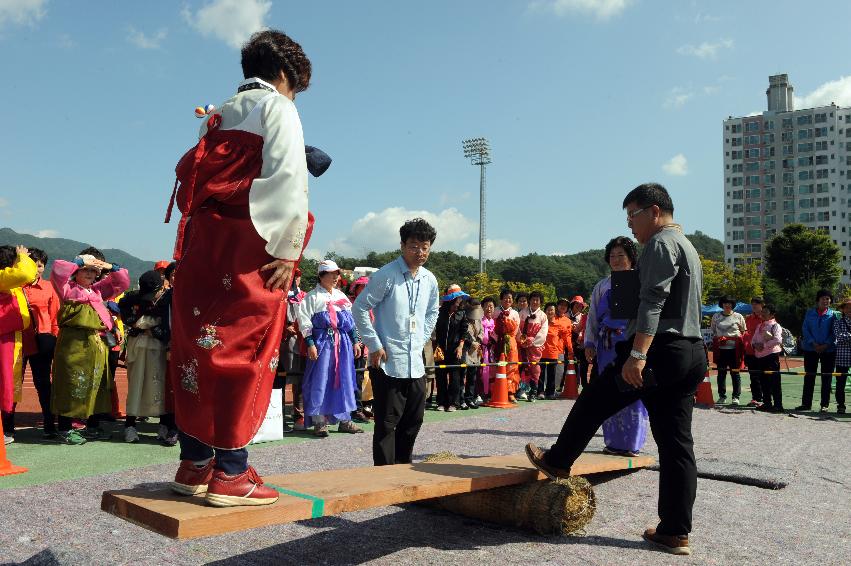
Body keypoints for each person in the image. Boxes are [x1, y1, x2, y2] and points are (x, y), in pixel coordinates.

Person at [167, 30, 313, 507]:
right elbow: (288, 178)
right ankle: (231, 471)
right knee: (245, 348)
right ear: (286, 75)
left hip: (202, 242)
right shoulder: (279, 108)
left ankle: (195, 463)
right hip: (248, 243)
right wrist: (289, 249)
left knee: (198, 348)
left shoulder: (216, 114)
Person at [526, 183, 705, 556]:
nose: (631, 225)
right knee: (676, 445)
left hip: (657, 350)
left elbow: (654, 300)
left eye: (633, 216)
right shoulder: (688, 247)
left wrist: (638, 354)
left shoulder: (659, 244)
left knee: (593, 399)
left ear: (654, 212)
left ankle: (558, 461)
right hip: (690, 350)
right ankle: (675, 531)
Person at [352, 218, 440, 466]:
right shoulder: (386, 275)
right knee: (387, 424)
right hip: (387, 362)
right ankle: (384, 477)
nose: (420, 252)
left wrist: (421, 339)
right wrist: (374, 344)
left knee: (414, 421)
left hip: (415, 362)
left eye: (425, 246)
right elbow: (359, 308)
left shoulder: (429, 279)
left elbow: (433, 312)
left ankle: (403, 471)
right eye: (414, 246)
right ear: (402, 245)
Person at [51, 253, 130, 445]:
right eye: (86, 270)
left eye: (94, 271)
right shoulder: (67, 288)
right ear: (76, 271)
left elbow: (123, 281)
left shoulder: (97, 291)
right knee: (70, 383)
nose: (90, 273)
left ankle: (92, 426)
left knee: (99, 385)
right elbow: (58, 271)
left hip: (97, 346)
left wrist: (109, 266)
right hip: (75, 346)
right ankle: (65, 428)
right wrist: (79, 261)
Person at [584, 236, 649, 457]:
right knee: (607, 391)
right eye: (612, 256)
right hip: (605, 347)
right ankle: (612, 442)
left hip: (629, 344)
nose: (616, 259)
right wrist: (589, 342)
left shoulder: (640, 282)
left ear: (631, 258)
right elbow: (592, 316)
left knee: (631, 389)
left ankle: (632, 443)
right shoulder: (602, 286)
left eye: (621, 255)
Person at [296, 260, 363, 437]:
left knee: (344, 378)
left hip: (342, 344)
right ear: (321, 276)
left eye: (337, 274)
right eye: (331, 274)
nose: (335, 277)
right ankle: (320, 422)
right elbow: (304, 321)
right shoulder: (312, 297)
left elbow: (351, 321)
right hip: (322, 343)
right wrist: (310, 344)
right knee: (321, 379)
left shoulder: (341, 296)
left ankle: (345, 420)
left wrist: (355, 341)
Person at [119, 270, 176, 444]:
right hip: (139, 345)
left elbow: (171, 323)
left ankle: (164, 425)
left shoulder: (169, 297)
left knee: (159, 385)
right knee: (136, 384)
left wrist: (155, 331)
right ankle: (130, 426)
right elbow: (122, 304)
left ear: (162, 285)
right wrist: (134, 323)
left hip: (159, 347)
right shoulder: (136, 296)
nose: (150, 297)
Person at [0, 246, 37, 445]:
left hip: (12, 337)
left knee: (8, 382)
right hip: (3, 338)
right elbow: (25, 272)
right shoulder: (3, 278)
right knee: (4, 381)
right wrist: (22, 256)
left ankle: (5, 427)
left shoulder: (8, 282)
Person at [21, 248, 60, 439]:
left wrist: (53, 338)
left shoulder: (48, 287)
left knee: (43, 384)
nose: (36, 269)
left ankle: (49, 423)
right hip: (19, 342)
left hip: (41, 343)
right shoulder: (15, 286)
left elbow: (55, 318)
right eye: (32, 264)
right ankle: (8, 426)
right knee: (13, 383)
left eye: (39, 265)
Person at [797, 289, 838, 412]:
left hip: (829, 350)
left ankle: (824, 405)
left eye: (828, 299)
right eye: (823, 298)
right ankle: (806, 404)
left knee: (827, 377)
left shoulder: (833, 315)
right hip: (810, 349)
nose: (825, 301)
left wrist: (826, 344)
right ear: (818, 300)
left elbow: (834, 332)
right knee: (809, 376)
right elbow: (805, 329)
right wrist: (813, 343)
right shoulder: (809, 313)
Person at [434, 285, 468, 411]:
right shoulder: (439, 312)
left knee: (455, 376)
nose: (459, 300)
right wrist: (436, 346)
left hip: (455, 349)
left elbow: (464, 332)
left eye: (460, 297)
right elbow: (435, 331)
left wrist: (460, 346)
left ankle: (454, 403)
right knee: (441, 376)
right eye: (457, 297)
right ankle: (441, 402)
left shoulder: (461, 313)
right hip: (441, 349)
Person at [710, 296, 746, 405]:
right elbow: (713, 331)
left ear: (732, 305)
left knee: (735, 373)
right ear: (722, 304)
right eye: (725, 303)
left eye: (730, 303)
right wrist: (721, 339)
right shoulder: (715, 316)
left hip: (735, 350)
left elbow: (743, 331)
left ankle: (736, 397)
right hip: (721, 350)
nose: (727, 305)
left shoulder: (738, 316)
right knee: (721, 374)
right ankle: (722, 396)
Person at [284, 268, 307, 430]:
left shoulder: (304, 296)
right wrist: (285, 326)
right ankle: (279, 417)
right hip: (283, 340)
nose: (295, 279)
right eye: (293, 276)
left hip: (302, 340)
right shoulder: (279, 294)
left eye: (298, 277)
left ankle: (299, 415)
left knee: (300, 378)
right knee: (282, 378)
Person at [752, 303, 784, 413]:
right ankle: (767, 403)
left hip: (771, 356)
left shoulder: (775, 326)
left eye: (766, 312)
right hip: (760, 356)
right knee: (763, 381)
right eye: (762, 312)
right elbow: (753, 339)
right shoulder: (759, 326)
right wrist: (755, 345)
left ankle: (778, 405)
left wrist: (764, 346)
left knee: (774, 381)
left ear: (772, 314)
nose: (763, 314)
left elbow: (778, 340)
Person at [518, 291, 548, 401]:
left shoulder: (543, 316)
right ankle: (521, 390)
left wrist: (532, 341)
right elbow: (517, 328)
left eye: (537, 300)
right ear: (529, 300)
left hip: (535, 347)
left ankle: (533, 391)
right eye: (533, 299)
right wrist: (522, 339)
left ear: (541, 302)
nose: (535, 302)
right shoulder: (522, 313)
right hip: (522, 345)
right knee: (521, 366)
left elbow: (543, 333)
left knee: (535, 368)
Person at [540, 302, 571, 399]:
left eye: (552, 310)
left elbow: (566, 337)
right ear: (545, 311)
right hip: (540, 352)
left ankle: (550, 393)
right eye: (548, 309)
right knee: (540, 373)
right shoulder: (540, 322)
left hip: (553, 352)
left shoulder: (558, 324)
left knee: (551, 374)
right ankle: (540, 392)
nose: (550, 312)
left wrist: (570, 350)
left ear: (555, 311)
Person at [495, 289, 521, 402]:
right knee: (497, 365)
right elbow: (491, 327)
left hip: (511, 341)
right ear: (501, 299)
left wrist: (509, 338)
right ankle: (496, 390)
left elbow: (517, 330)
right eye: (505, 297)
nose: (507, 300)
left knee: (512, 366)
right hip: (497, 341)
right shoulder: (495, 311)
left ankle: (510, 392)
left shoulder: (515, 313)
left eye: (510, 298)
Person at [741, 297, 766, 408]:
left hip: (764, 351)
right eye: (753, 304)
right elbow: (747, 333)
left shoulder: (766, 318)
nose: (754, 306)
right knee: (753, 377)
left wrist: (763, 346)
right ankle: (756, 398)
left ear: (762, 305)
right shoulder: (749, 318)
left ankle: (766, 399)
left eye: (757, 304)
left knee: (764, 376)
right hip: (751, 351)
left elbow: (771, 334)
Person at [460, 298, 484, 409]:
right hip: (465, 350)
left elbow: (481, 331)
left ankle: (469, 398)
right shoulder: (463, 318)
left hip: (475, 351)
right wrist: (471, 343)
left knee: (472, 376)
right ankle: (461, 399)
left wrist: (478, 341)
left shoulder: (478, 319)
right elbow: (463, 333)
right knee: (462, 375)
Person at [832, 297, 851, 415]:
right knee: (840, 384)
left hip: (843, 352)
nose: (850, 310)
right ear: (843, 309)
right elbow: (838, 337)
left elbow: (844, 337)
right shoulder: (838, 322)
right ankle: (841, 406)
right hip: (842, 357)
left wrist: (847, 336)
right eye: (847, 307)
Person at [568, 296, 589, 387]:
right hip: (567, 341)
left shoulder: (583, 316)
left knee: (580, 363)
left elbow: (579, 330)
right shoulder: (565, 315)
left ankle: (577, 383)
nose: (578, 306)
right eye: (576, 304)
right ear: (572, 304)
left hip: (580, 343)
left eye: (580, 305)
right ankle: (563, 384)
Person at [479, 296, 498, 400]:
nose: (489, 309)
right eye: (486, 306)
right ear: (482, 307)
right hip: (482, 349)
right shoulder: (480, 321)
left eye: (491, 306)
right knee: (482, 372)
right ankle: (481, 393)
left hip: (492, 351)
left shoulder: (495, 322)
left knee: (492, 371)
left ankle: (490, 392)